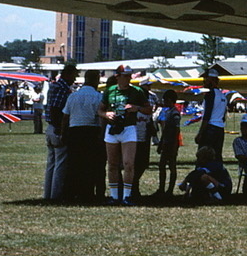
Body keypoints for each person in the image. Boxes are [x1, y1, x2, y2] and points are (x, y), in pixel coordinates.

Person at [102, 67, 153, 204]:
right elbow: (100, 109)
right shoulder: (110, 91)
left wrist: (137, 108)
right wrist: (106, 114)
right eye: (125, 76)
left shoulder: (137, 91)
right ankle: (114, 196)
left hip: (129, 128)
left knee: (128, 163)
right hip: (112, 128)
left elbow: (149, 109)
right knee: (112, 163)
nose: (128, 79)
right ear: (118, 77)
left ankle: (127, 195)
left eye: (129, 76)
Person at [62, 69, 104, 202]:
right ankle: (88, 192)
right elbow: (101, 117)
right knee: (90, 165)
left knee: (74, 164)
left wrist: (63, 133)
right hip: (91, 131)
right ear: (96, 79)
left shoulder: (73, 96)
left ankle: (70, 193)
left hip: (74, 130)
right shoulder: (98, 97)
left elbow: (65, 117)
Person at [43, 65, 77, 201]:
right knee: (60, 164)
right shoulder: (62, 89)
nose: (74, 79)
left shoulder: (54, 87)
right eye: (73, 76)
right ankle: (56, 195)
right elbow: (56, 109)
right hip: (57, 128)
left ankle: (48, 194)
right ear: (68, 75)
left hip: (50, 128)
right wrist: (61, 129)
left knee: (51, 164)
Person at [155, 89, 182, 197]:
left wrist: (175, 145)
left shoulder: (175, 113)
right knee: (162, 166)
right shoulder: (167, 112)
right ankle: (161, 188)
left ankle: (169, 190)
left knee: (171, 166)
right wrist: (161, 143)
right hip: (166, 142)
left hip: (171, 143)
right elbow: (165, 130)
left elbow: (176, 131)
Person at [194, 69, 229, 154]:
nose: (204, 82)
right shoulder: (223, 96)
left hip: (210, 129)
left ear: (211, 80)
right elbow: (223, 116)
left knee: (204, 155)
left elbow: (207, 116)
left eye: (205, 80)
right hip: (220, 129)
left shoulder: (210, 94)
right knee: (217, 155)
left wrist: (200, 133)